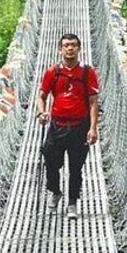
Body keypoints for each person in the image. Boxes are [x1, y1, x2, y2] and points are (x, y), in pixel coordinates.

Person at [36, 33, 100, 219]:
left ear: (79, 48)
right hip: (57, 125)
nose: (70, 48)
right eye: (66, 45)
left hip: (80, 126)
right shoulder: (52, 72)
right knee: (50, 159)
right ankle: (55, 191)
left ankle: (72, 202)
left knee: (75, 167)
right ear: (60, 49)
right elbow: (41, 95)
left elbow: (94, 102)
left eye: (73, 45)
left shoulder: (87, 73)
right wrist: (41, 112)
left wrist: (93, 128)